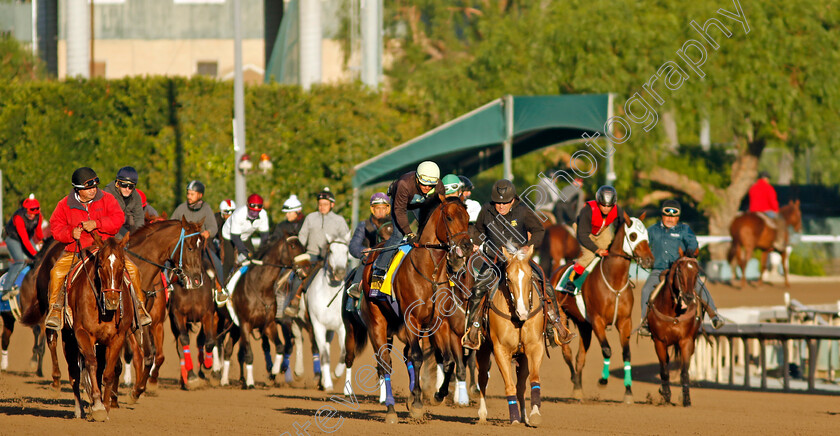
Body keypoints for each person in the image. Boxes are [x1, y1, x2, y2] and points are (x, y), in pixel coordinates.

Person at [462, 179, 571, 350]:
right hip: (494, 261)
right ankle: (473, 330)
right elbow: (479, 230)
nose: (501, 206)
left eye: (505, 202)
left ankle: (556, 326)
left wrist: (528, 246)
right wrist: (475, 242)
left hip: (520, 261)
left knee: (546, 285)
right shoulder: (486, 210)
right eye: (498, 203)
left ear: (513, 200)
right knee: (477, 290)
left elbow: (539, 230)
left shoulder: (523, 211)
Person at [45, 167, 152, 330]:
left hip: (106, 249)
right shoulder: (64, 204)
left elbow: (118, 219)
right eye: (88, 188)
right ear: (78, 189)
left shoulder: (107, 199)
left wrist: (97, 223)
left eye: (95, 186)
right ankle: (55, 310)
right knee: (56, 272)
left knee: (133, 270)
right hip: (77, 250)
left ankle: (139, 307)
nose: (93, 190)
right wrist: (70, 233)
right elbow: (55, 227)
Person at [638, 200, 724, 336]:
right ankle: (645, 323)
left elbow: (693, 243)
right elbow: (642, 244)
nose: (670, 219)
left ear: (678, 217)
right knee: (645, 290)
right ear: (662, 215)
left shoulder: (684, 230)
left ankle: (714, 316)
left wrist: (690, 252)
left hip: (681, 270)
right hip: (659, 270)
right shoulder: (652, 230)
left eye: (673, 216)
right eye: (667, 215)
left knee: (699, 286)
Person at [371, 161, 445, 286]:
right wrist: (409, 233)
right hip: (400, 201)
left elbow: (440, 209)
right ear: (417, 179)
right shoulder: (404, 184)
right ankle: (379, 269)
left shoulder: (439, 187)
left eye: (431, 185)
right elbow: (399, 211)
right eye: (424, 184)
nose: (427, 188)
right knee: (398, 235)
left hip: (421, 203)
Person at [285, 187, 350, 315]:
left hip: (333, 258)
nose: (322, 207)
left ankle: (349, 306)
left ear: (332, 205)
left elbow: (345, 239)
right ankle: (294, 303)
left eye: (325, 204)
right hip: (311, 256)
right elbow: (302, 237)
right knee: (298, 276)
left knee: (346, 277)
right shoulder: (310, 218)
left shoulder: (339, 220)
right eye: (320, 204)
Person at [561, 185, 624, 294]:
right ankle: (570, 281)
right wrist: (596, 249)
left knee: (611, 251)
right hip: (584, 230)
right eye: (603, 205)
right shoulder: (588, 210)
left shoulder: (617, 210)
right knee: (589, 255)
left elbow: (620, 228)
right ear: (598, 202)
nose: (606, 208)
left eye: (609, 206)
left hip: (602, 230)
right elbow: (582, 235)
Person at [171, 180, 221, 281]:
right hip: (182, 245)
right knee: (166, 261)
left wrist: (209, 232)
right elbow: (172, 224)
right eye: (188, 193)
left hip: (200, 245)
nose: (189, 196)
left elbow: (213, 227)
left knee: (217, 263)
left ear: (200, 195)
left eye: (192, 194)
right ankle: (166, 286)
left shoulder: (206, 209)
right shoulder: (181, 208)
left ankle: (220, 287)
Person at [222, 194, 270, 295]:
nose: (254, 214)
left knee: (254, 261)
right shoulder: (238, 215)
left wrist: (261, 253)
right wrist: (243, 251)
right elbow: (235, 237)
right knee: (229, 261)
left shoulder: (264, 215)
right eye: (252, 211)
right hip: (229, 235)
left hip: (246, 236)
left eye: (257, 212)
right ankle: (223, 288)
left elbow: (264, 237)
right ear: (248, 207)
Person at [345, 192, 391, 299]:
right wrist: (363, 250)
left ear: (387, 209)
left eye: (383, 208)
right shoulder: (363, 225)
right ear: (372, 209)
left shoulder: (394, 224)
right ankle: (354, 291)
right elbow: (353, 246)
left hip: (390, 259)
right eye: (377, 208)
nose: (380, 211)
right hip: (369, 260)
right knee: (364, 263)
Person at [3, 194, 44, 289]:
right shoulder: (18, 218)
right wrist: (35, 253)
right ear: (25, 210)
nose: (32, 216)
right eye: (30, 213)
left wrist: (42, 242)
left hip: (27, 238)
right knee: (19, 261)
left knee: (38, 260)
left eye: (34, 214)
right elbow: (24, 240)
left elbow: (38, 232)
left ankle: (31, 284)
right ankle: (6, 288)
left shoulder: (39, 216)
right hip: (13, 239)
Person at [103, 166, 145, 239]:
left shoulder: (136, 196)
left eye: (131, 186)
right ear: (117, 184)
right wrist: (124, 239)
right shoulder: (108, 193)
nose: (127, 189)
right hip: (107, 226)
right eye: (124, 185)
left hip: (124, 225)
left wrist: (141, 236)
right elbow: (109, 221)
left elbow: (139, 218)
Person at [748, 171, 785, 251]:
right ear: (766, 179)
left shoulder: (753, 187)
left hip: (753, 211)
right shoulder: (769, 188)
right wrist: (776, 210)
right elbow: (772, 201)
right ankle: (779, 242)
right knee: (781, 222)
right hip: (765, 211)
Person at [214, 199, 236, 283]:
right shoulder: (216, 219)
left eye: (232, 212)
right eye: (227, 212)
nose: (230, 215)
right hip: (216, 241)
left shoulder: (236, 220)